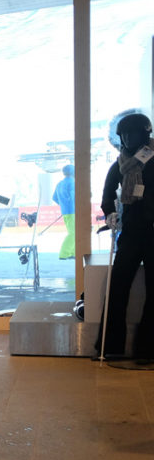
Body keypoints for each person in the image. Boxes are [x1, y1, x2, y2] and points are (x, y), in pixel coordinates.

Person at [97, 112, 154, 359]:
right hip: (130, 231)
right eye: (125, 135)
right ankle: (110, 346)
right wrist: (110, 214)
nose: (129, 139)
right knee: (117, 288)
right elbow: (107, 195)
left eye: (134, 134)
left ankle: (147, 348)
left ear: (145, 134)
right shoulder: (121, 164)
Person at [52, 164, 75, 259]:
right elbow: (74, 197)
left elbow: (54, 198)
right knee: (73, 233)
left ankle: (72, 253)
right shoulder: (72, 183)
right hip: (73, 211)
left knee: (73, 232)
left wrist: (63, 205)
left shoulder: (59, 184)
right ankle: (64, 254)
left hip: (65, 211)